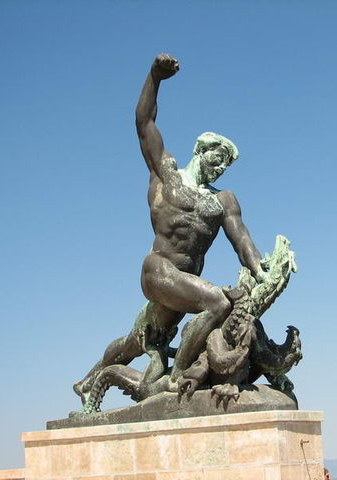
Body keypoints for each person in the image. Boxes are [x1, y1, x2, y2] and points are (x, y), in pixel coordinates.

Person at [73, 53, 268, 403]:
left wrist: (261, 270)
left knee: (142, 339)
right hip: (158, 271)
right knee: (217, 303)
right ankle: (177, 381)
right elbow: (143, 122)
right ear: (201, 150)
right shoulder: (167, 174)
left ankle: (87, 381)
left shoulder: (223, 200)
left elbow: (242, 241)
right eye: (218, 158)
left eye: (226, 165)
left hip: (184, 283)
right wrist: (155, 77)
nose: (221, 167)